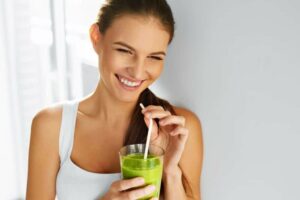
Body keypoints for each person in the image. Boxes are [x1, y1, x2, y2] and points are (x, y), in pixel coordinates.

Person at [26, 0, 203, 199]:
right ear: (96, 38)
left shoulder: (178, 129)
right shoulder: (51, 126)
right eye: (125, 51)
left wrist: (170, 172)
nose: (137, 71)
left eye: (154, 57)